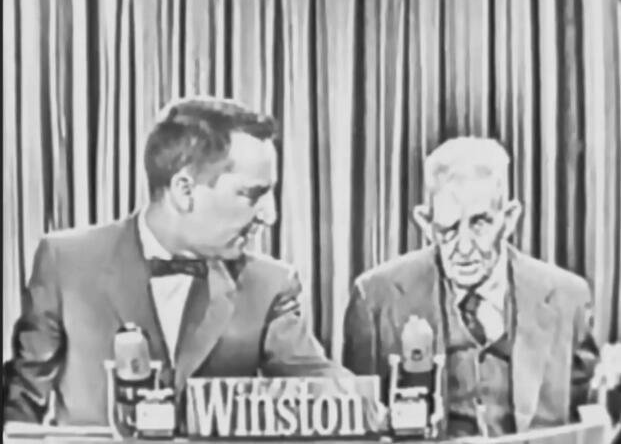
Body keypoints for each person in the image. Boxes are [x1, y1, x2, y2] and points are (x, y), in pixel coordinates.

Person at [3, 96, 350, 427]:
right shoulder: (66, 262)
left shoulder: (269, 285)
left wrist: (368, 404)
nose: (269, 216)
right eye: (251, 194)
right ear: (184, 191)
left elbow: (324, 386)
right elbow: (21, 409)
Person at [343, 137, 599, 437]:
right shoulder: (376, 299)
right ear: (426, 223)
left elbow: (589, 420)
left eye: (479, 224)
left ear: (509, 219)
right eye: (448, 228)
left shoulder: (568, 299)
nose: (464, 248)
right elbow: (359, 429)